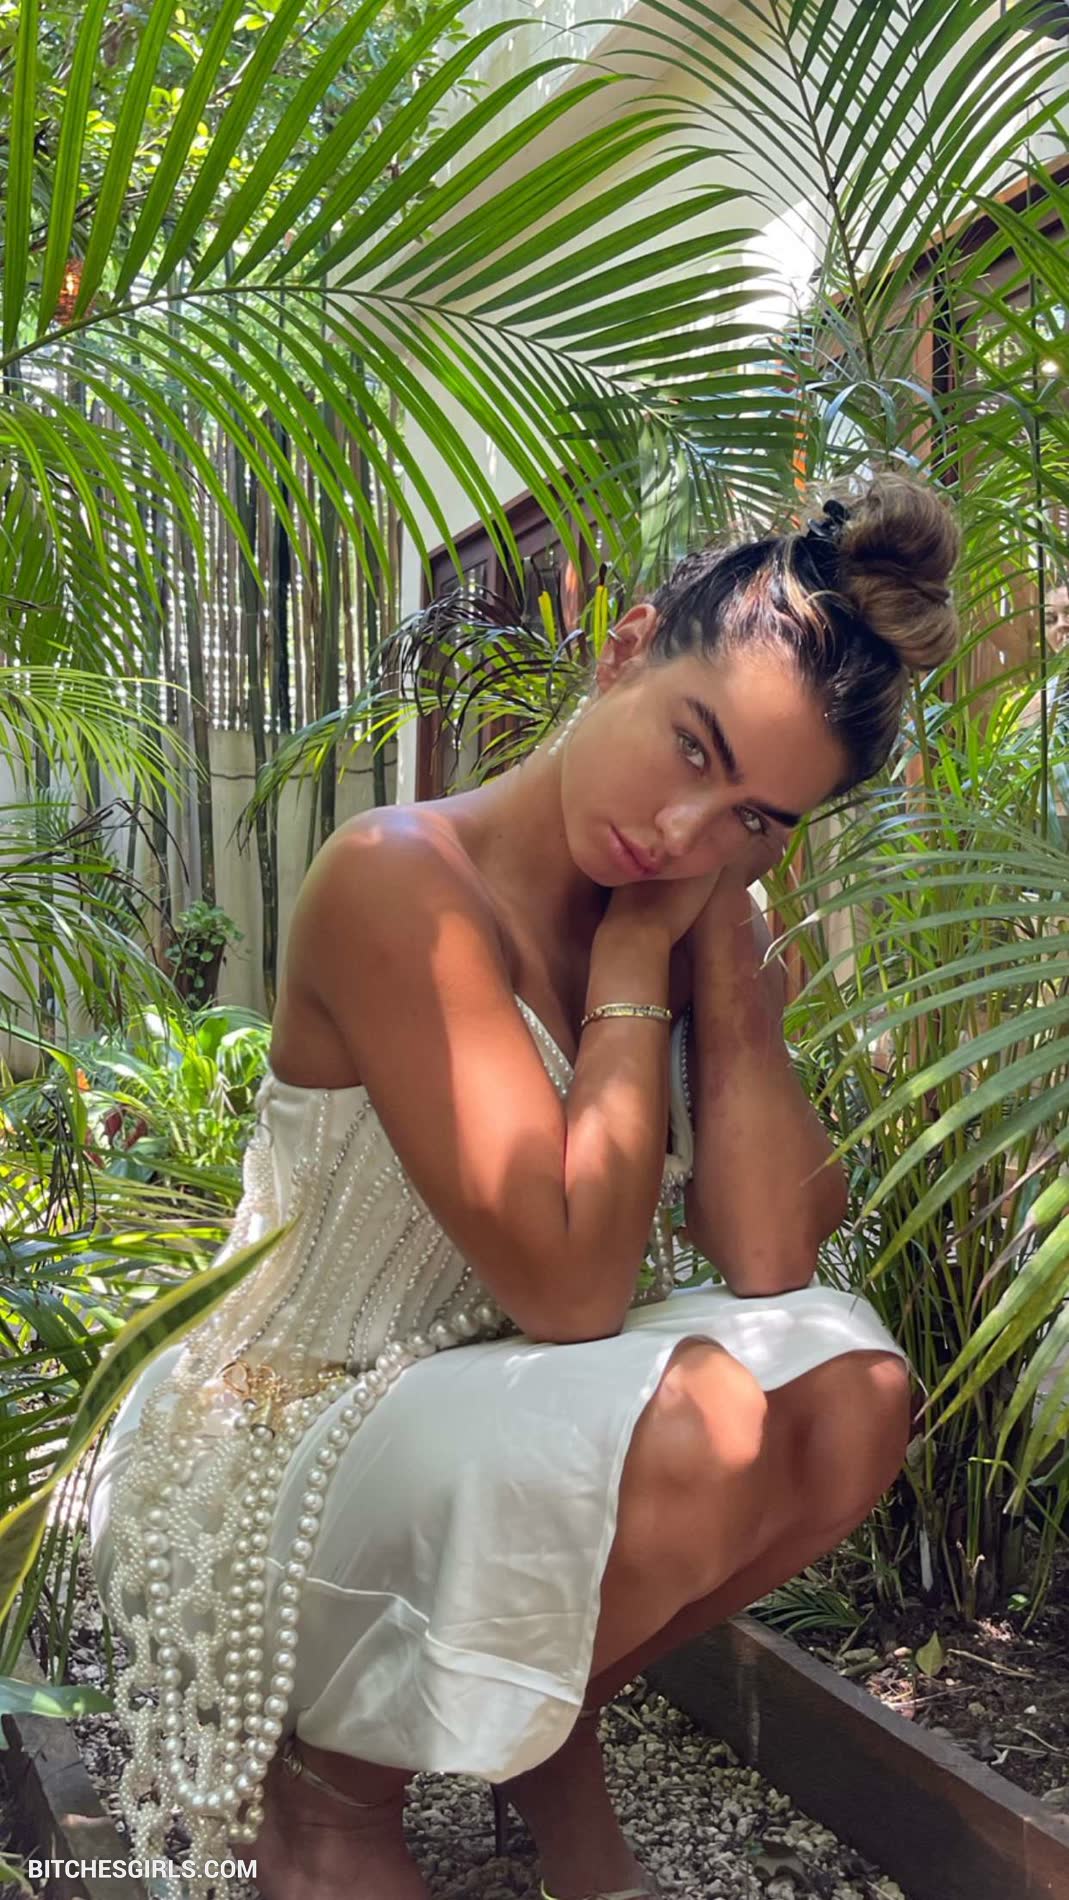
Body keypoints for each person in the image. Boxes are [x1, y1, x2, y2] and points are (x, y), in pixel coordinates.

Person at [87, 471, 961, 1900]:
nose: (682, 831)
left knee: (852, 1391)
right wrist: (630, 966)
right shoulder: (399, 882)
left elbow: (768, 1258)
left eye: (754, 816)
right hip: (292, 1421)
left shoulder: (689, 895)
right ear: (624, 649)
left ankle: (541, 1722)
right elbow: (567, 1290)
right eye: (692, 747)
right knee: (701, 1421)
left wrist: (722, 957)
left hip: (484, 1398)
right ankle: (332, 1794)